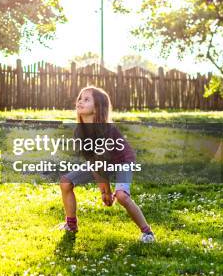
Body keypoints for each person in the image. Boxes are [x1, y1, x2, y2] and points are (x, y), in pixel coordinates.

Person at [59, 86, 156, 243]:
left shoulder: (107, 131)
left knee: (122, 196)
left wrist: (109, 192)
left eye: (86, 99)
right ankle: (71, 225)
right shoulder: (80, 132)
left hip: (122, 161)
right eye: (80, 98)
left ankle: (147, 232)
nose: (80, 101)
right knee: (65, 183)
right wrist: (105, 192)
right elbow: (94, 164)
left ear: (97, 108)